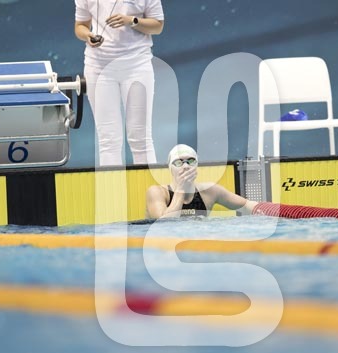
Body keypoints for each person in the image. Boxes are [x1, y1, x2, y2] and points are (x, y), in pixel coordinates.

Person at [74, 0, 164, 166]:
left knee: (140, 138)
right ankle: (112, 183)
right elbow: (80, 26)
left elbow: (157, 26)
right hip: (99, 68)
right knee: (108, 140)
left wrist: (132, 21)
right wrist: (88, 36)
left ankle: (148, 183)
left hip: (136, 66)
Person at [146, 145, 258, 219]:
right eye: (179, 162)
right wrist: (180, 189)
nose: (186, 166)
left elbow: (247, 205)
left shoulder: (210, 191)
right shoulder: (157, 192)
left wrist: (269, 210)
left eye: (191, 161)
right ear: (170, 168)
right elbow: (163, 224)